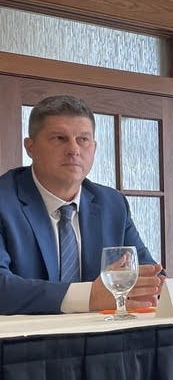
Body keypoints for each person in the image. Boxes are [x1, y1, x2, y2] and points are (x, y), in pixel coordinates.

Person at [0, 95, 164, 314]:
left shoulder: (112, 204)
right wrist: (89, 297)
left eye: (83, 139)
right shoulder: (5, 200)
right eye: (59, 138)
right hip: (20, 345)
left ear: (94, 148)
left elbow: (147, 277)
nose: (74, 150)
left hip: (101, 344)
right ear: (30, 147)